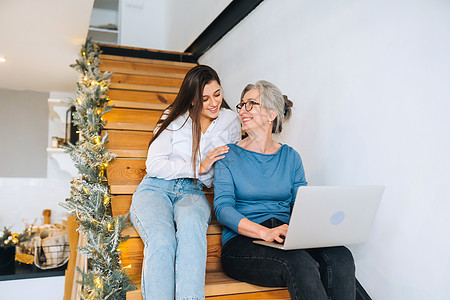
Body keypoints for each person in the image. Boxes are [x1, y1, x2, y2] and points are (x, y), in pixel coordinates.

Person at [213, 80, 355, 299]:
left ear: (272, 114)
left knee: (341, 256)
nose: (243, 110)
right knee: (300, 263)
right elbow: (223, 209)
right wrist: (264, 232)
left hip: (284, 235)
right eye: (241, 105)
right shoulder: (227, 156)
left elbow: (302, 204)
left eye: (251, 104)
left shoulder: (290, 157)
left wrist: (320, 229)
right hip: (243, 243)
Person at [130, 65, 241, 300]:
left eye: (217, 94)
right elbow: (155, 164)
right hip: (155, 188)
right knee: (162, 240)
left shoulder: (230, 120)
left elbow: (228, 166)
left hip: (193, 191)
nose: (214, 103)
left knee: (192, 234)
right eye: (205, 98)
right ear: (191, 99)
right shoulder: (174, 117)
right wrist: (198, 167)